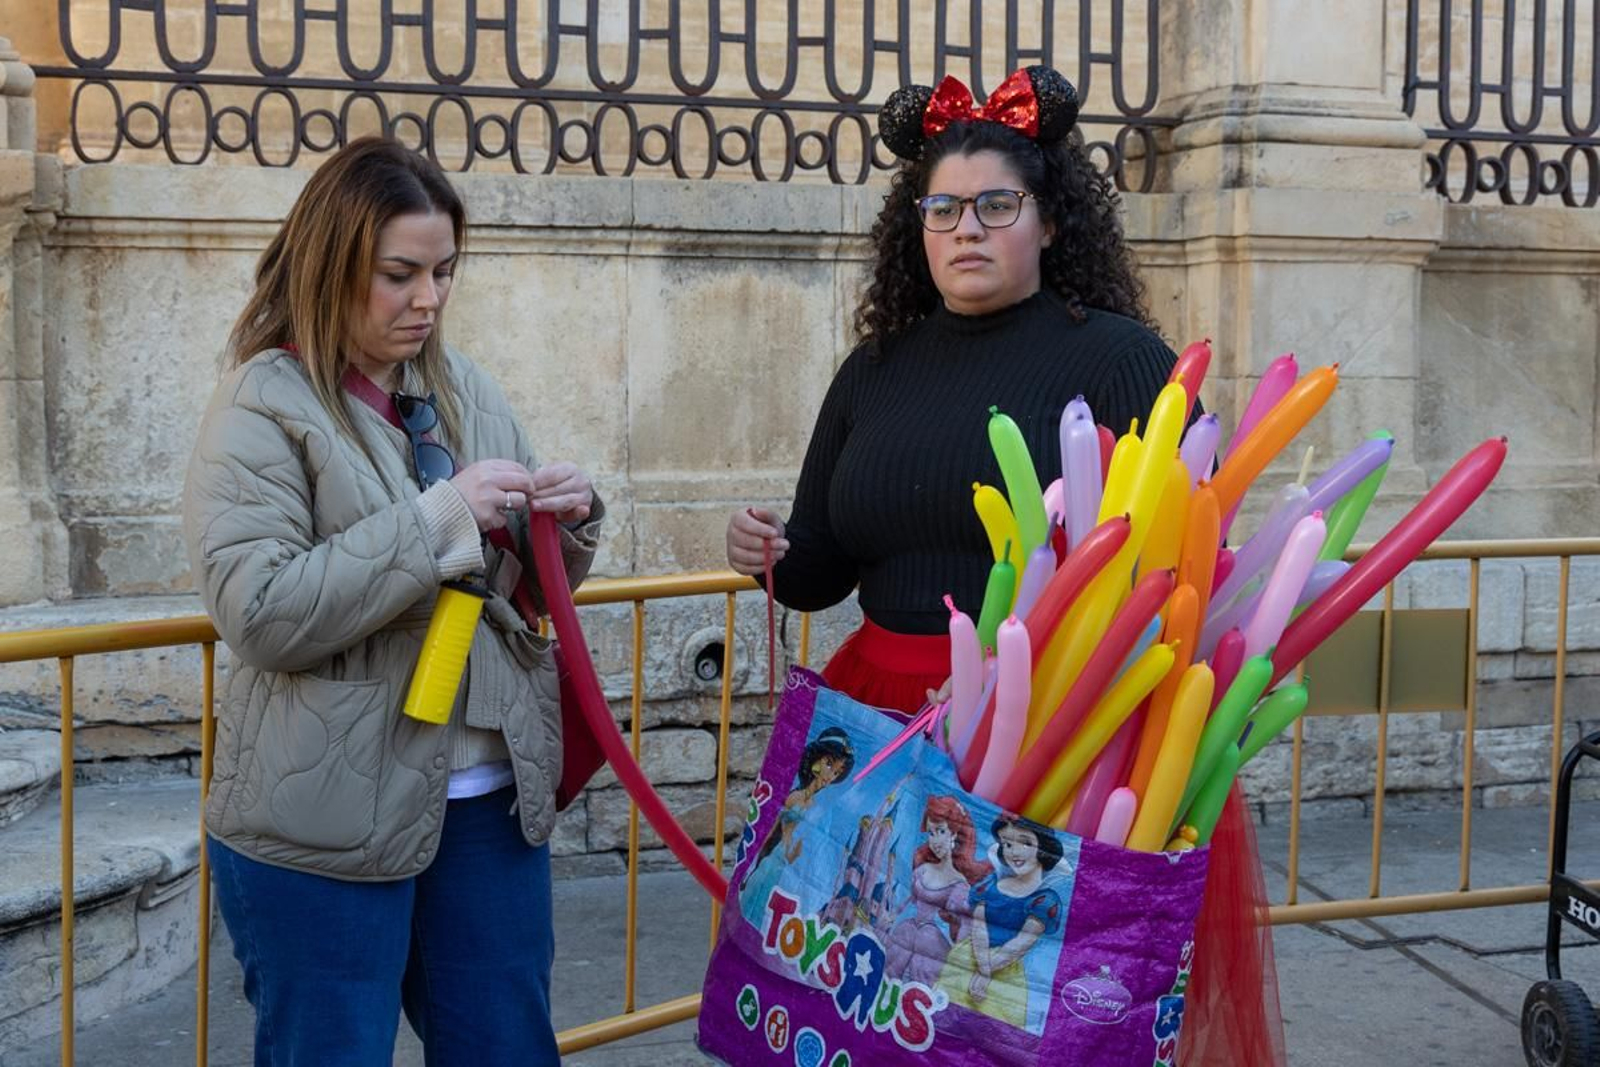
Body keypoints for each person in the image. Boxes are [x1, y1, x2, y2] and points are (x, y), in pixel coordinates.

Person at [722, 67, 1285, 1064]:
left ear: (1051, 222)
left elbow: (1190, 547)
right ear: (916, 225)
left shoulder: (1117, 357)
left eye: (994, 205)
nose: (965, 229)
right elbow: (819, 569)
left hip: (1045, 735)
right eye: (942, 207)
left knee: (998, 1016)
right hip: (880, 726)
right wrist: (765, 549)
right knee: (860, 1004)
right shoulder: (874, 368)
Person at [182, 136, 601, 1067]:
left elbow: (522, 592)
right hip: (320, 819)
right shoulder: (262, 403)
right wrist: (441, 518)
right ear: (331, 267)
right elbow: (260, 608)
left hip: (484, 802)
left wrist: (563, 522)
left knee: (508, 1050)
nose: (430, 299)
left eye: (445, 271)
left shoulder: (465, 388)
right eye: (399, 274)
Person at [936, 815, 1065, 1030]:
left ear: (1043, 848)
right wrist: (983, 967)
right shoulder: (989, 886)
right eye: (1007, 843)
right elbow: (979, 928)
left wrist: (987, 970)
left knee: (998, 1028)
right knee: (945, 1017)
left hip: (1006, 970)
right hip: (969, 957)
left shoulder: (1044, 900)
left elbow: (1023, 942)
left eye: (1025, 843)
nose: (1014, 851)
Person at [738, 726, 855, 923]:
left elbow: (789, 840)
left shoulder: (812, 802)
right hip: (770, 862)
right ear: (815, 759)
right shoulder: (796, 798)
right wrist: (751, 865)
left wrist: (795, 854)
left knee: (763, 913)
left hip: (781, 865)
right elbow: (773, 832)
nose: (830, 775)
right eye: (829, 765)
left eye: (836, 772)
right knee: (754, 907)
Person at [885, 794, 993, 988]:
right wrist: (891, 916)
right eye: (931, 833)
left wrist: (960, 957)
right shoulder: (923, 869)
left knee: (921, 984)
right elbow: (906, 900)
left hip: (930, 942)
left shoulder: (958, 884)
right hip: (906, 931)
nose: (935, 840)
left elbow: (965, 926)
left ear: (953, 834)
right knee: (888, 973)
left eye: (941, 831)